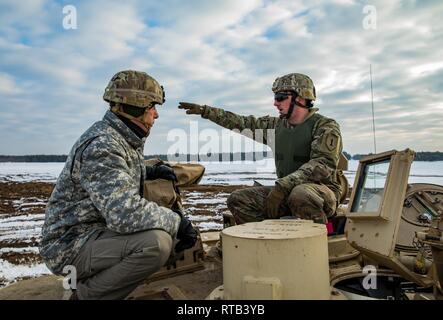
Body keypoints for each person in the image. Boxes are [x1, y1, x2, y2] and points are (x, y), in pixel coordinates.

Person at [39, 70, 197, 300]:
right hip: (69, 246)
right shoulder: (103, 145)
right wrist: (178, 222)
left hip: (91, 233)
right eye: (153, 106)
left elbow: (119, 172)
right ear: (137, 105)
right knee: (157, 243)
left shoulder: (120, 137)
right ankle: (84, 296)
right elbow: (124, 214)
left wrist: (148, 170)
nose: (156, 114)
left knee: (160, 232)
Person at [178, 73, 343, 225]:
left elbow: (322, 165)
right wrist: (206, 111)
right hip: (287, 192)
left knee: (300, 194)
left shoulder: (324, 126)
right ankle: (267, 243)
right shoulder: (276, 127)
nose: (275, 103)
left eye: (280, 97)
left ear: (300, 98)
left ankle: (318, 245)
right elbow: (242, 123)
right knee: (238, 199)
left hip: (321, 194)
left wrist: (283, 186)